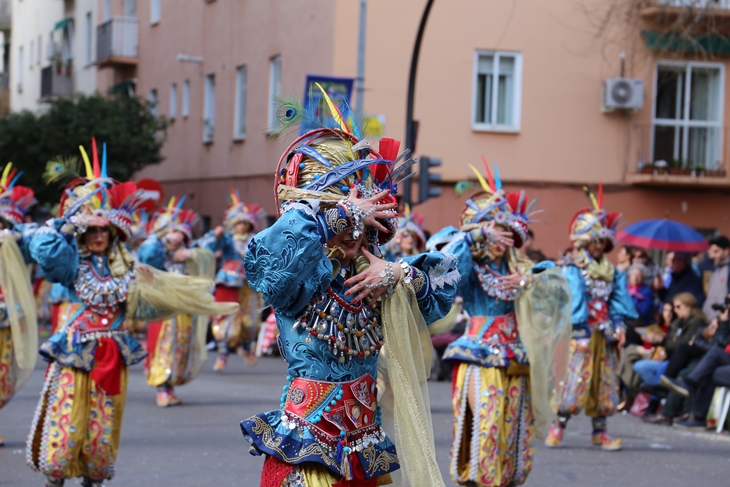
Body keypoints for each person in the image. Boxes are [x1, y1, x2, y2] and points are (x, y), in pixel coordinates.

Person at [239, 99, 459, 486]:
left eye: (365, 222)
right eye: (346, 220)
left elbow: (441, 289)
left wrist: (398, 272)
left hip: (364, 444)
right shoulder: (303, 274)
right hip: (309, 444)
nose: (355, 233)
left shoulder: (377, 275)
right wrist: (339, 214)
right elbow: (268, 264)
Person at [25, 143, 238, 487]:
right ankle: (58, 475)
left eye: (102, 230)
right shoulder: (73, 263)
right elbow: (43, 250)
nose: (96, 236)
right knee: (68, 417)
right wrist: (68, 222)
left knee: (102, 422)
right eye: (91, 230)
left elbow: (151, 303)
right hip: (76, 349)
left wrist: (181, 295)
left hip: (113, 352)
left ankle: (93, 476)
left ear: (113, 233)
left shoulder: (129, 271)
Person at [442, 168, 571, 487]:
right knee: (486, 426)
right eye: (493, 234)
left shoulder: (523, 270)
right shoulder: (470, 268)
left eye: (505, 234)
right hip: (479, 358)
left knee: (514, 429)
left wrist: (529, 282)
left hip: (516, 359)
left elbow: (557, 289)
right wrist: (473, 237)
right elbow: (443, 265)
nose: (500, 242)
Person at [545, 184, 638, 451]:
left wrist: (619, 325)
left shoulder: (613, 272)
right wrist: (580, 331)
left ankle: (600, 433)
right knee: (575, 381)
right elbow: (573, 301)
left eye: (601, 241)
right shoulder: (573, 270)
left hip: (605, 335)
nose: (598, 246)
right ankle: (558, 426)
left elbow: (618, 302)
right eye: (594, 241)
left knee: (605, 383)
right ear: (585, 242)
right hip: (581, 336)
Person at [138, 199, 216, 407]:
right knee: (165, 344)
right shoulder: (155, 251)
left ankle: (170, 386)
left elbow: (207, 256)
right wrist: (163, 243)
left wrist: (190, 254)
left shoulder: (189, 253)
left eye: (181, 237)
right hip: (164, 307)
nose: (177, 241)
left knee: (181, 345)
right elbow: (146, 258)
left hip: (184, 308)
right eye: (173, 236)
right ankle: (162, 387)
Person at [197, 192, 264, 370]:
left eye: (245, 223)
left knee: (250, 320)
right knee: (225, 319)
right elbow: (208, 247)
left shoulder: (255, 241)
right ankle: (222, 354)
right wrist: (216, 235)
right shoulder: (227, 240)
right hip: (229, 282)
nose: (241, 227)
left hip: (249, 285)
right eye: (238, 223)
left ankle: (246, 347)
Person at [0, 165, 38, 447]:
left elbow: (39, 239)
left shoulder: (18, 244)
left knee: (3, 375)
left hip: (7, 320)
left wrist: (17, 236)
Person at [701, 235, 730, 322]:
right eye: (711, 252)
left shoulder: (728, 270)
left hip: (721, 323)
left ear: (727, 251)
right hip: (708, 321)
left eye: (716, 252)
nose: (712, 256)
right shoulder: (715, 269)